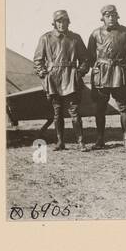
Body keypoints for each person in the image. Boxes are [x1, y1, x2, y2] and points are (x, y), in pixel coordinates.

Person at [32, 9, 90, 151]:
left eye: (64, 21)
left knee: (74, 111)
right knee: (57, 112)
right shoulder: (45, 38)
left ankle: (80, 142)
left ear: (68, 22)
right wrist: (44, 75)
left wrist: (79, 72)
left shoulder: (75, 38)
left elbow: (85, 59)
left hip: (71, 77)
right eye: (59, 21)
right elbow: (38, 60)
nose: (62, 24)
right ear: (54, 23)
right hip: (54, 79)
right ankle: (60, 141)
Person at [85, 5, 126, 149]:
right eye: (107, 16)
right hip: (101, 74)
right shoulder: (95, 34)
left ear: (117, 16)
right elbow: (90, 56)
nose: (111, 18)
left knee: (123, 107)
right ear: (103, 18)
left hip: (120, 73)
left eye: (113, 15)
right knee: (100, 108)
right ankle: (100, 139)